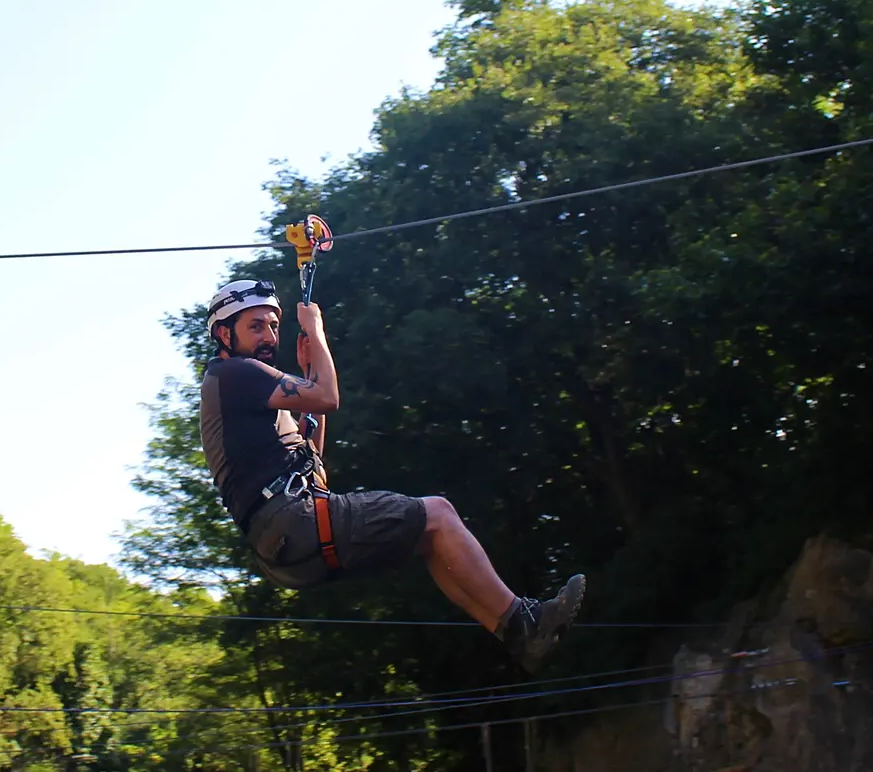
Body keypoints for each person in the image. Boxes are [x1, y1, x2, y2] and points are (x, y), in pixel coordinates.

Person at [199, 279, 585, 672]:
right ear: (224, 334)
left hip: (287, 543)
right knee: (439, 513)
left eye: (273, 325)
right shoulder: (237, 374)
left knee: (431, 538)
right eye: (256, 326)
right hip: (293, 522)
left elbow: (311, 458)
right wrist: (316, 330)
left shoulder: (246, 391)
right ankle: (527, 622)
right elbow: (330, 397)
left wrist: (310, 372)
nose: (269, 336)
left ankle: (518, 637)